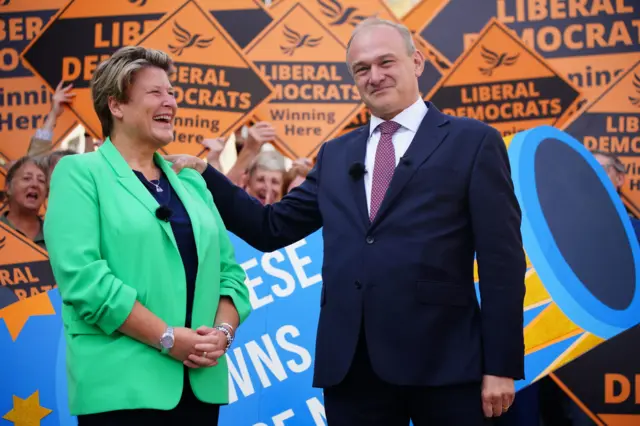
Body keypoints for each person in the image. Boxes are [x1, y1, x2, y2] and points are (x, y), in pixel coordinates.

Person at [169, 18, 525, 426]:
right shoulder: (337, 153)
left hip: (445, 365)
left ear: (418, 62)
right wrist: (206, 174)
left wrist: (501, 365)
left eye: (385, 62)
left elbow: (503, 263)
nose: (374, 76)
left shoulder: (473, 141)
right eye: (361, 68)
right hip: (353, 369)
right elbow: (271, 228)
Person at [43, 46, 251, 426]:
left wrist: (222, 333)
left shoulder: (191, 182)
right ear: (116, 106)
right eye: (156, 92)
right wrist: (168, 337)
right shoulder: (79, 173)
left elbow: (230, 275)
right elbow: (84, 280)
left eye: (171, 93)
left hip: (200, 385)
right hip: (119, 389)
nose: (170, 101)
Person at [1, 156, 48, 250]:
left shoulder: (56, 237)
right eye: (27, 178)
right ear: (8, 187)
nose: (35, 184)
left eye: (41, 181)